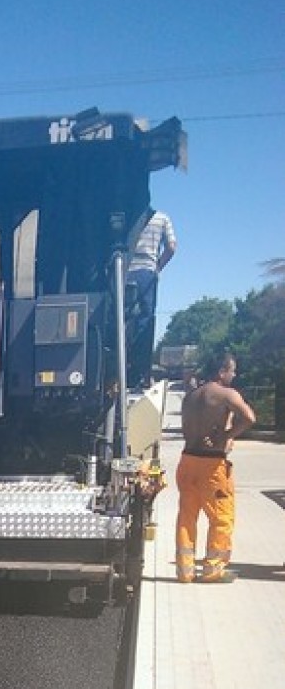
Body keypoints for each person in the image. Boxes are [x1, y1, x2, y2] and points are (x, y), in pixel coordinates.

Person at [175, 353, 256, 583]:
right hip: (212, 466)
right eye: (232, 370)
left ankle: (185, 570)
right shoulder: (227, 394)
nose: (234, 374)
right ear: (221, 371)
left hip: (187, 460)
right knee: (221, 517)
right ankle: (213, 570)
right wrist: (226, 435)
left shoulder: (190, 397)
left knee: (186, 517)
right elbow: (249, 417)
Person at [126, 210, 177, 387]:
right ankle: (141, 371)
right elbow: (171, 247)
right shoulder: (162, 218)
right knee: (146, 321)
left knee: (120, 317)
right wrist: (158, 267)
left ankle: (118, 363)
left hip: (123, 271)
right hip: (147, 271)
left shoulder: (128, 216)